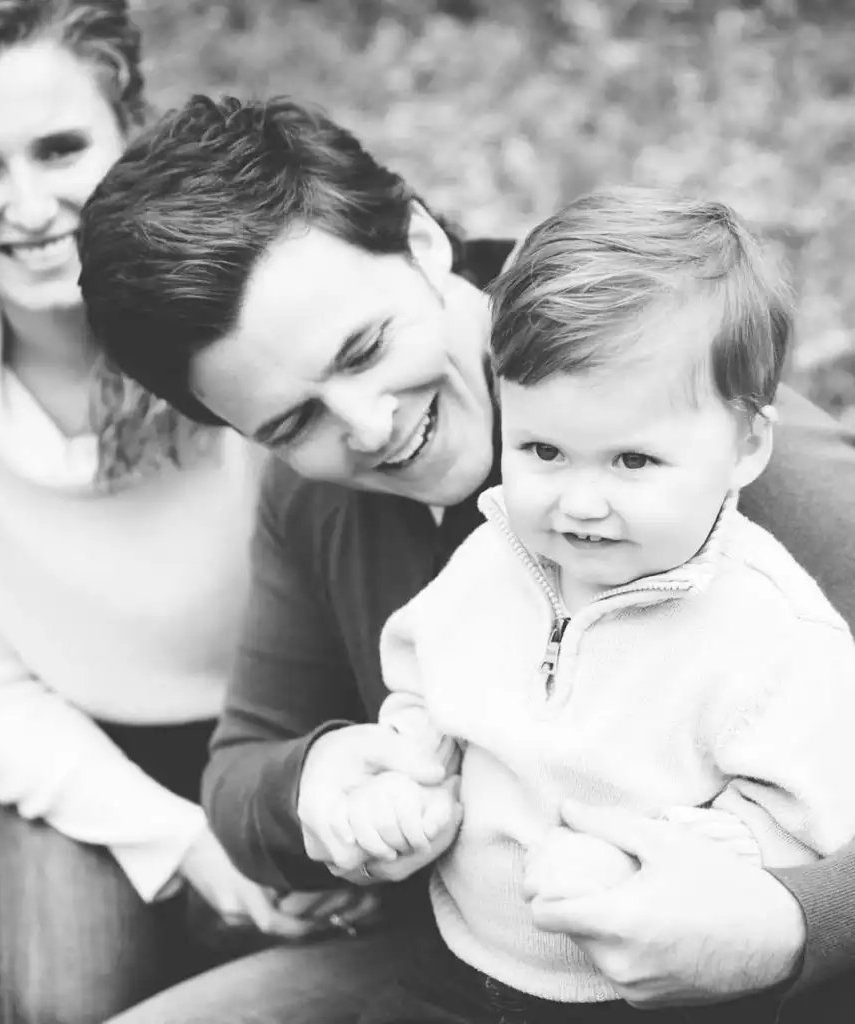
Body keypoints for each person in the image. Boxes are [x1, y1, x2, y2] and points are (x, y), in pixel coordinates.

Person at [76, 97, 855, 1023]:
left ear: (421, 241)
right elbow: (242, 768)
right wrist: (316, 784)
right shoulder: (316, 498)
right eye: (293, 421)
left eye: (366, 348)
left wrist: (791, 925)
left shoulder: (719, 458)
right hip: (451, 962)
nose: (369, 426)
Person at [0, 12, 368, 1024]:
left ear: (130, 132)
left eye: (61, 148)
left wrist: (317, 798)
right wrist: (193, 848)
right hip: (81, 744)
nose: (31, 206)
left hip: (302, 719)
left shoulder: (243, 333)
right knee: (61, 999)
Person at [324, 187, 855, 1024]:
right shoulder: (492, 557)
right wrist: (408, 773)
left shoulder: (774, 635)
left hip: (645, 996)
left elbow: (803, 815)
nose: (578, 503)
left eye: (632, 462)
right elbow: (425, 683)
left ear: (747, 445)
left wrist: (659, 862)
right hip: (455, 959)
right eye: (542, 450)